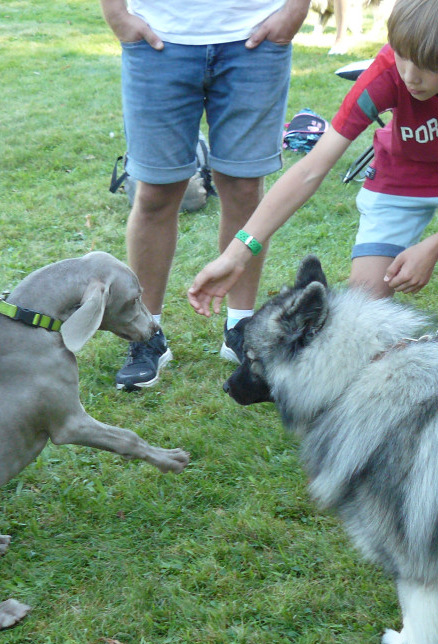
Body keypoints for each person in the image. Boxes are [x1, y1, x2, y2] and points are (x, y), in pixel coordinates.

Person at [189, 0, 438, 354]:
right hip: (398, 182)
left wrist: (433, 247)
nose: (410, 76)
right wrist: (237, 253)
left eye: (430, 67)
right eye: (402, 55)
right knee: (361, 316)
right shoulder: (388, 69)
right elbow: (310, 170)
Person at [100, 0, 309, 389]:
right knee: (156, 192)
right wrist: (117, 14)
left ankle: (242, 327)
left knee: (245, 188)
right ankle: (148, 334)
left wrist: (295, 10)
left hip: (256, 36)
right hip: (160, 37)